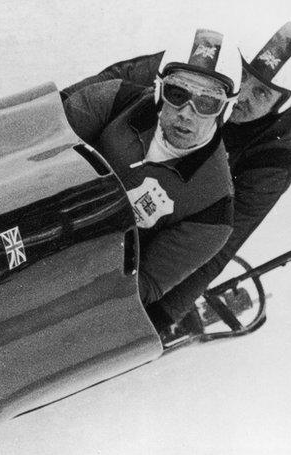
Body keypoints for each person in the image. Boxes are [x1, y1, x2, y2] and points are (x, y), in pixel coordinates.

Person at [62, 22, 291, 333]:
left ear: (280, 105)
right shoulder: (203, 74)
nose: (242, 93)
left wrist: (162, 314)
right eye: (243, 74)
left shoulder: (274, 159)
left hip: (172, 216)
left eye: (260, 92)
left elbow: (222, 241)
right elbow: (115, 81)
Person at [63, 28, 241, 305]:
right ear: (159, 91)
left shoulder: (213, 209)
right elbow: (40, 147)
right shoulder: (115, 99)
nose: (187, 112)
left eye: (207, 102)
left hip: (76, 273)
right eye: (178, 93)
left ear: (225, 110)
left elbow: (141, 286)